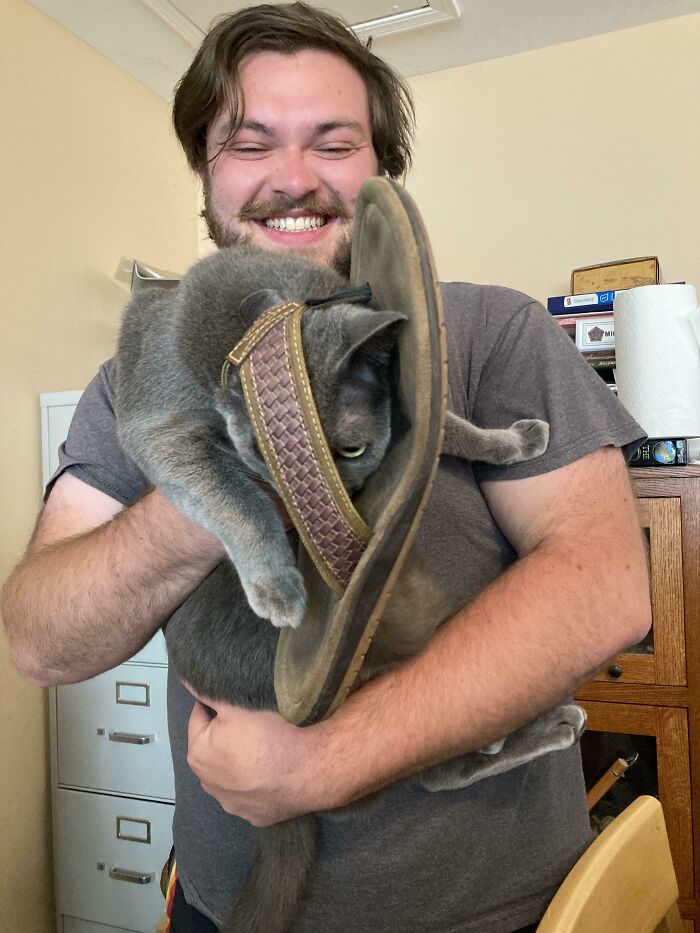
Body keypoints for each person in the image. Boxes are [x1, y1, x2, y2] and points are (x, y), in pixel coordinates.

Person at [2, 4, 651, 931]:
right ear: (206, 172)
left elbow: (606, 583)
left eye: (334, 143)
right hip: (227, 905)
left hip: (500, 912)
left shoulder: (490, 330)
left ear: (381, 168)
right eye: (250, 143)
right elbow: (38, 637)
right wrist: (220, 475)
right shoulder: (137, 378)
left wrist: (325, 762)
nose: (293, 178)